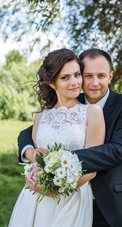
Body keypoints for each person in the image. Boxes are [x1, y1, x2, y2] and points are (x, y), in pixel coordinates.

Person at [18, 48, 122, 227]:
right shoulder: (70, 99)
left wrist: (56, 161)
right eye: (87, 75)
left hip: (109, 200)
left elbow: (118, 151)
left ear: (110, 76)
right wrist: (30, 152)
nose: (94, 83)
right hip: (52, 198)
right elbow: (29, 133)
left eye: (101, 75)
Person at [9, 48, 106, 227]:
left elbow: (92, 168)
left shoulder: (92, 112)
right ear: (52, 83)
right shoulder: (41, 115)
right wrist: (32, 177)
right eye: (65, 77)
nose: (75, 82)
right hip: (35, 197)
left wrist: (56, 190)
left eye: (77, 74)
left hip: (72, 198)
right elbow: (37, 160)